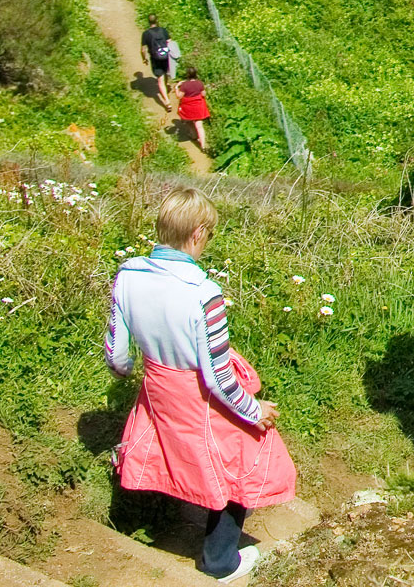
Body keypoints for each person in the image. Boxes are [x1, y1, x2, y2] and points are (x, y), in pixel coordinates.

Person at [106, 188, 297, 584]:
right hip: (199, 393)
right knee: (242, 457)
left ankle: (148, 523)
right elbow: (216, 375)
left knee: (162, 452)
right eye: (208, 234)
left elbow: (117, 356)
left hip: (157, 385)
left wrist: (130, 375)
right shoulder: (203, 292)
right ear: (197, 233)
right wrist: (253, 409)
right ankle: (220, 561)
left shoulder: (128, 274)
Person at [176, 66, 211, 150]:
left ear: (187, 75)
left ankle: (194, 135)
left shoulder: (184, 85)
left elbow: (179, 96)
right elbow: (203, 94)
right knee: (199, 126)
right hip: (198, 106)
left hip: (188, 107)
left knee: (188, 121)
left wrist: (176, 87)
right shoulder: (199, 83)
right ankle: (203, 145)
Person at [142, 15, 173, 106]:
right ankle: (166, 87)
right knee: (165, 72)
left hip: (155, 58)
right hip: (166, 55)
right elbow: (169, 42)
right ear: (157, 20)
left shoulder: (146, 34)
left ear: (148, 22)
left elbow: (143, 49)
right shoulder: (163, 30)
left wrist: (144, 59)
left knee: (160, 79)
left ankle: (167, 101)